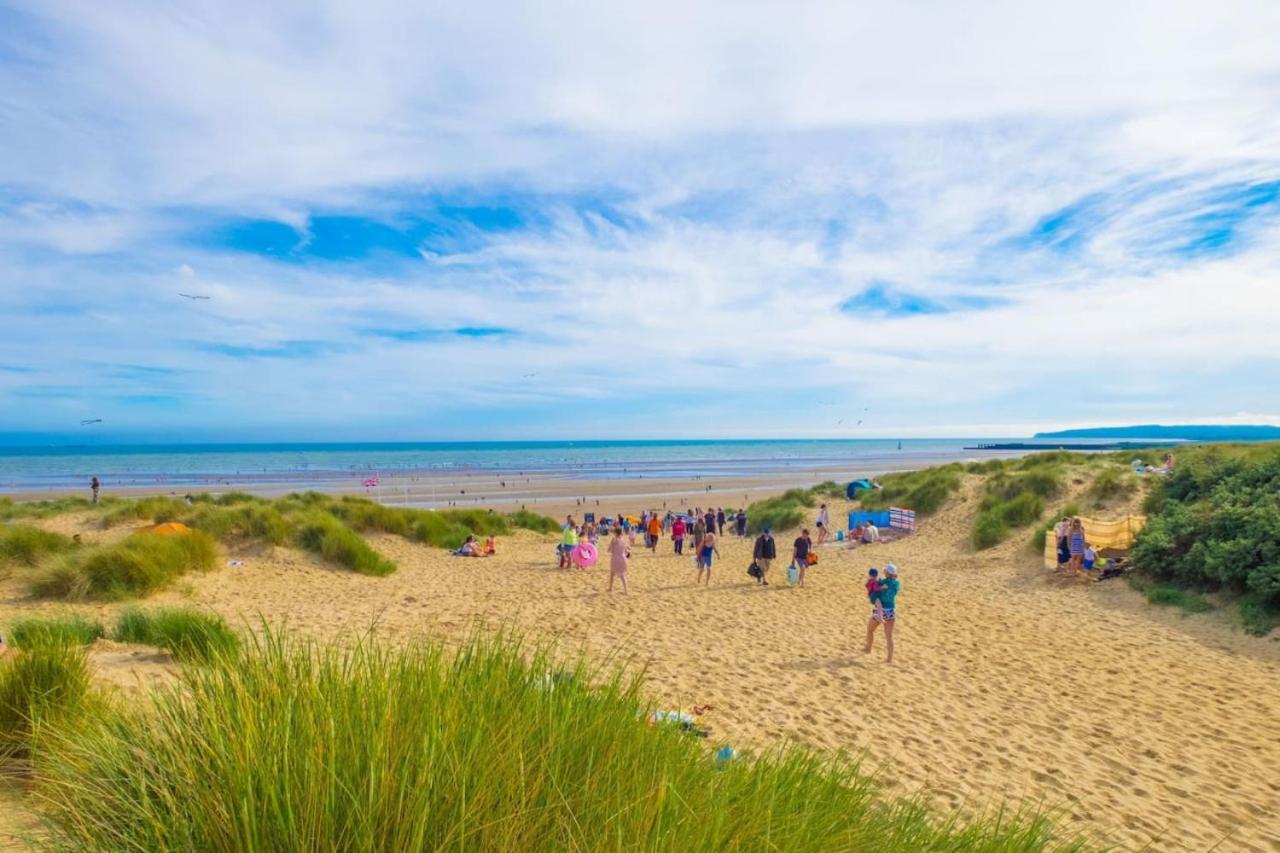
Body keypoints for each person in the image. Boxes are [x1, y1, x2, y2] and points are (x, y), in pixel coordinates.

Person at [864, 563, 899, 663]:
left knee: (870, 629)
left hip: (881, 610)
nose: (883, 572)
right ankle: (889, 659)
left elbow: (875, 589)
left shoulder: (882, 582)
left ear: (887, 572)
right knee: (889, 636)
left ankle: (868, 649)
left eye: (885, 571)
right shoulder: (897, 583)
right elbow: (894, 592)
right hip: (891, 611)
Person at [607, 526, 630, 594]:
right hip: (623, 558)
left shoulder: (614, 539)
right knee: (622, 575)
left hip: (615, 558)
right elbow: (626, 552)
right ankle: (626, 590)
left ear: (615, 533)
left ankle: (610, 588)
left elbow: (609, 549)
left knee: (612, 573)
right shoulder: (624, 540)